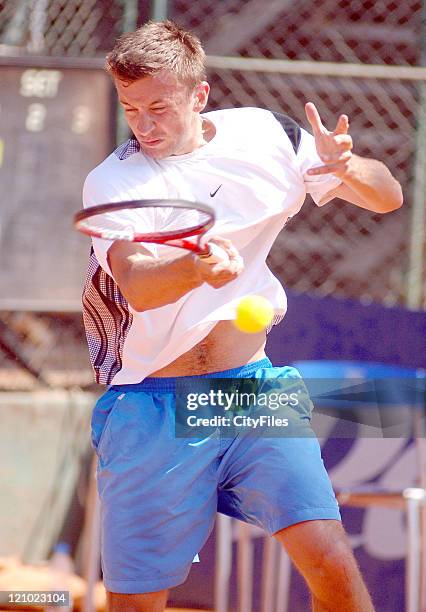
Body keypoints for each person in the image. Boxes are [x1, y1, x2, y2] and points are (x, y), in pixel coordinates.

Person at [82, 19, 402, 612]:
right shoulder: (113, 182)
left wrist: (346, 168)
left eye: (160, 107)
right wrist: (197, 271)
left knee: (330, 558)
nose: (146, 126)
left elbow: (387, 197)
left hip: (250, 389)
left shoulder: (267, 135)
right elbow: (138, 286)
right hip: (153, 403)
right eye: (132, 110)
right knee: (137, 603)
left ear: (199, 95)